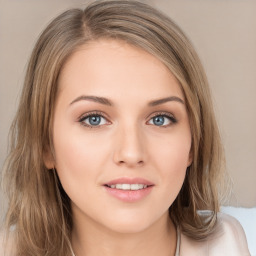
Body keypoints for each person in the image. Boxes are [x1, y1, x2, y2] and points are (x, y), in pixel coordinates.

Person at [0, 1, 250, 255]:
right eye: (94, 119)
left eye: (160, 119)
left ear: (194, 143)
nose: (131, 153)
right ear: (45, 144)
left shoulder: (228, 244)